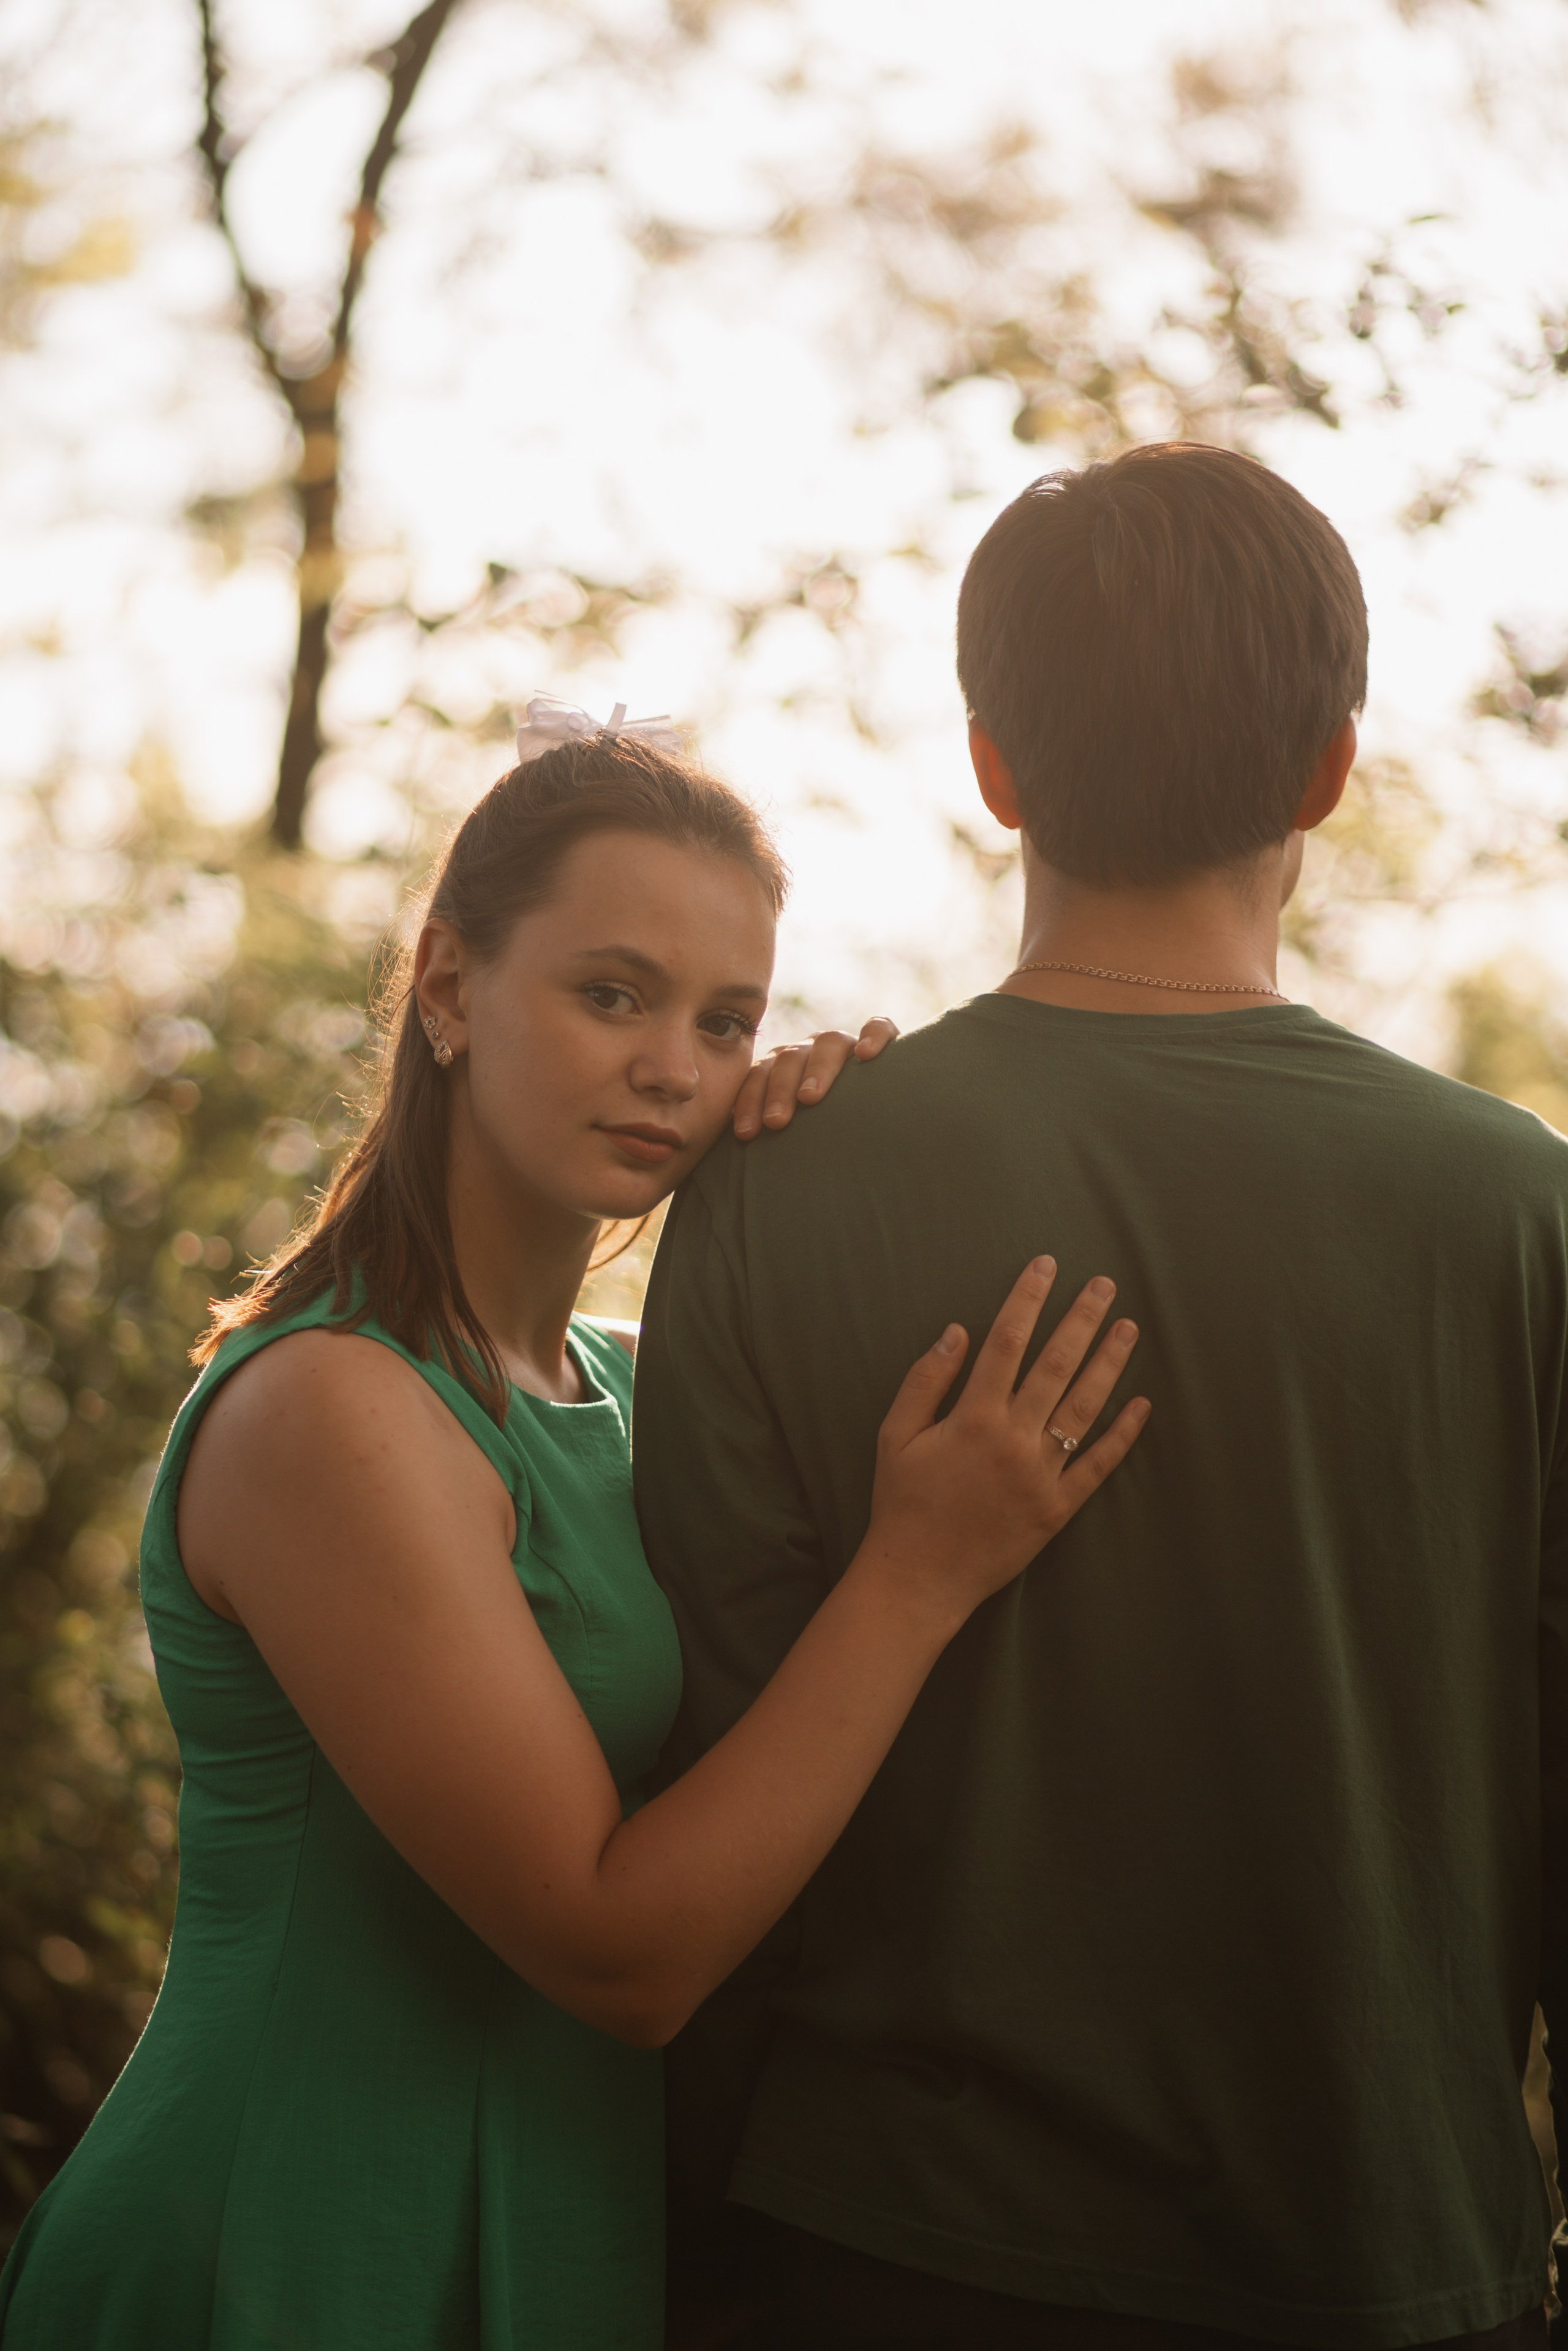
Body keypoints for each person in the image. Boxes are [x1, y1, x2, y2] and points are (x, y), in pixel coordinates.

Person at [0, 702, 1146, 2351]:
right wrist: (920, 1572)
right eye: (613, 995)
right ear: (453, 987)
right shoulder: (336, 1409)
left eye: (727, 1018)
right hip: (288, 2238)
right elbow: (620, 1953)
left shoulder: (624, 1389)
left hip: (564, 2236)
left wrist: (835, 1166)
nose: (675, 1066)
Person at [635, 443, 1568, 2351]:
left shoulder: (773, 1185)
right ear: (1331, 769)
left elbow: (708, 1766)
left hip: (884, 2258)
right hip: (1391, 2263)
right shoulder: (1527, 1216)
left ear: (991, 768)